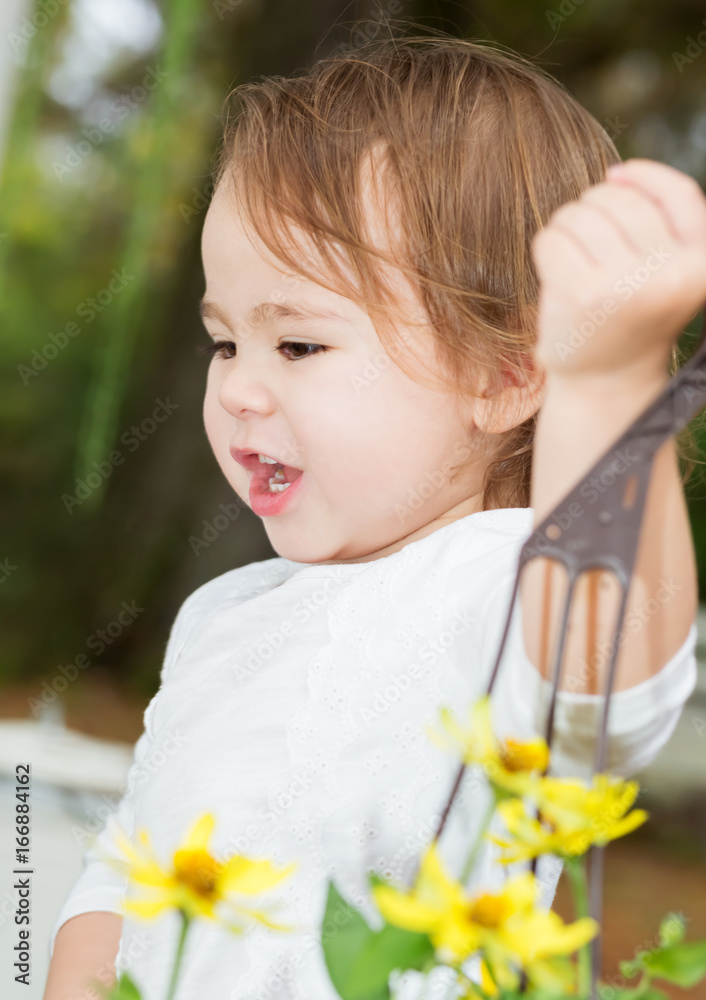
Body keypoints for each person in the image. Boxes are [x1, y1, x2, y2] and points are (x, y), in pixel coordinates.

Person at [43, 30, 706, 1000]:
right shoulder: (223, 618)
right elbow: (128, 861)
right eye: (225, 342)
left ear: (507, 372)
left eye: (299, 344)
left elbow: (605, 673)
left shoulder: (505, 588)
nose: (237, 391)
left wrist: (606, 392)